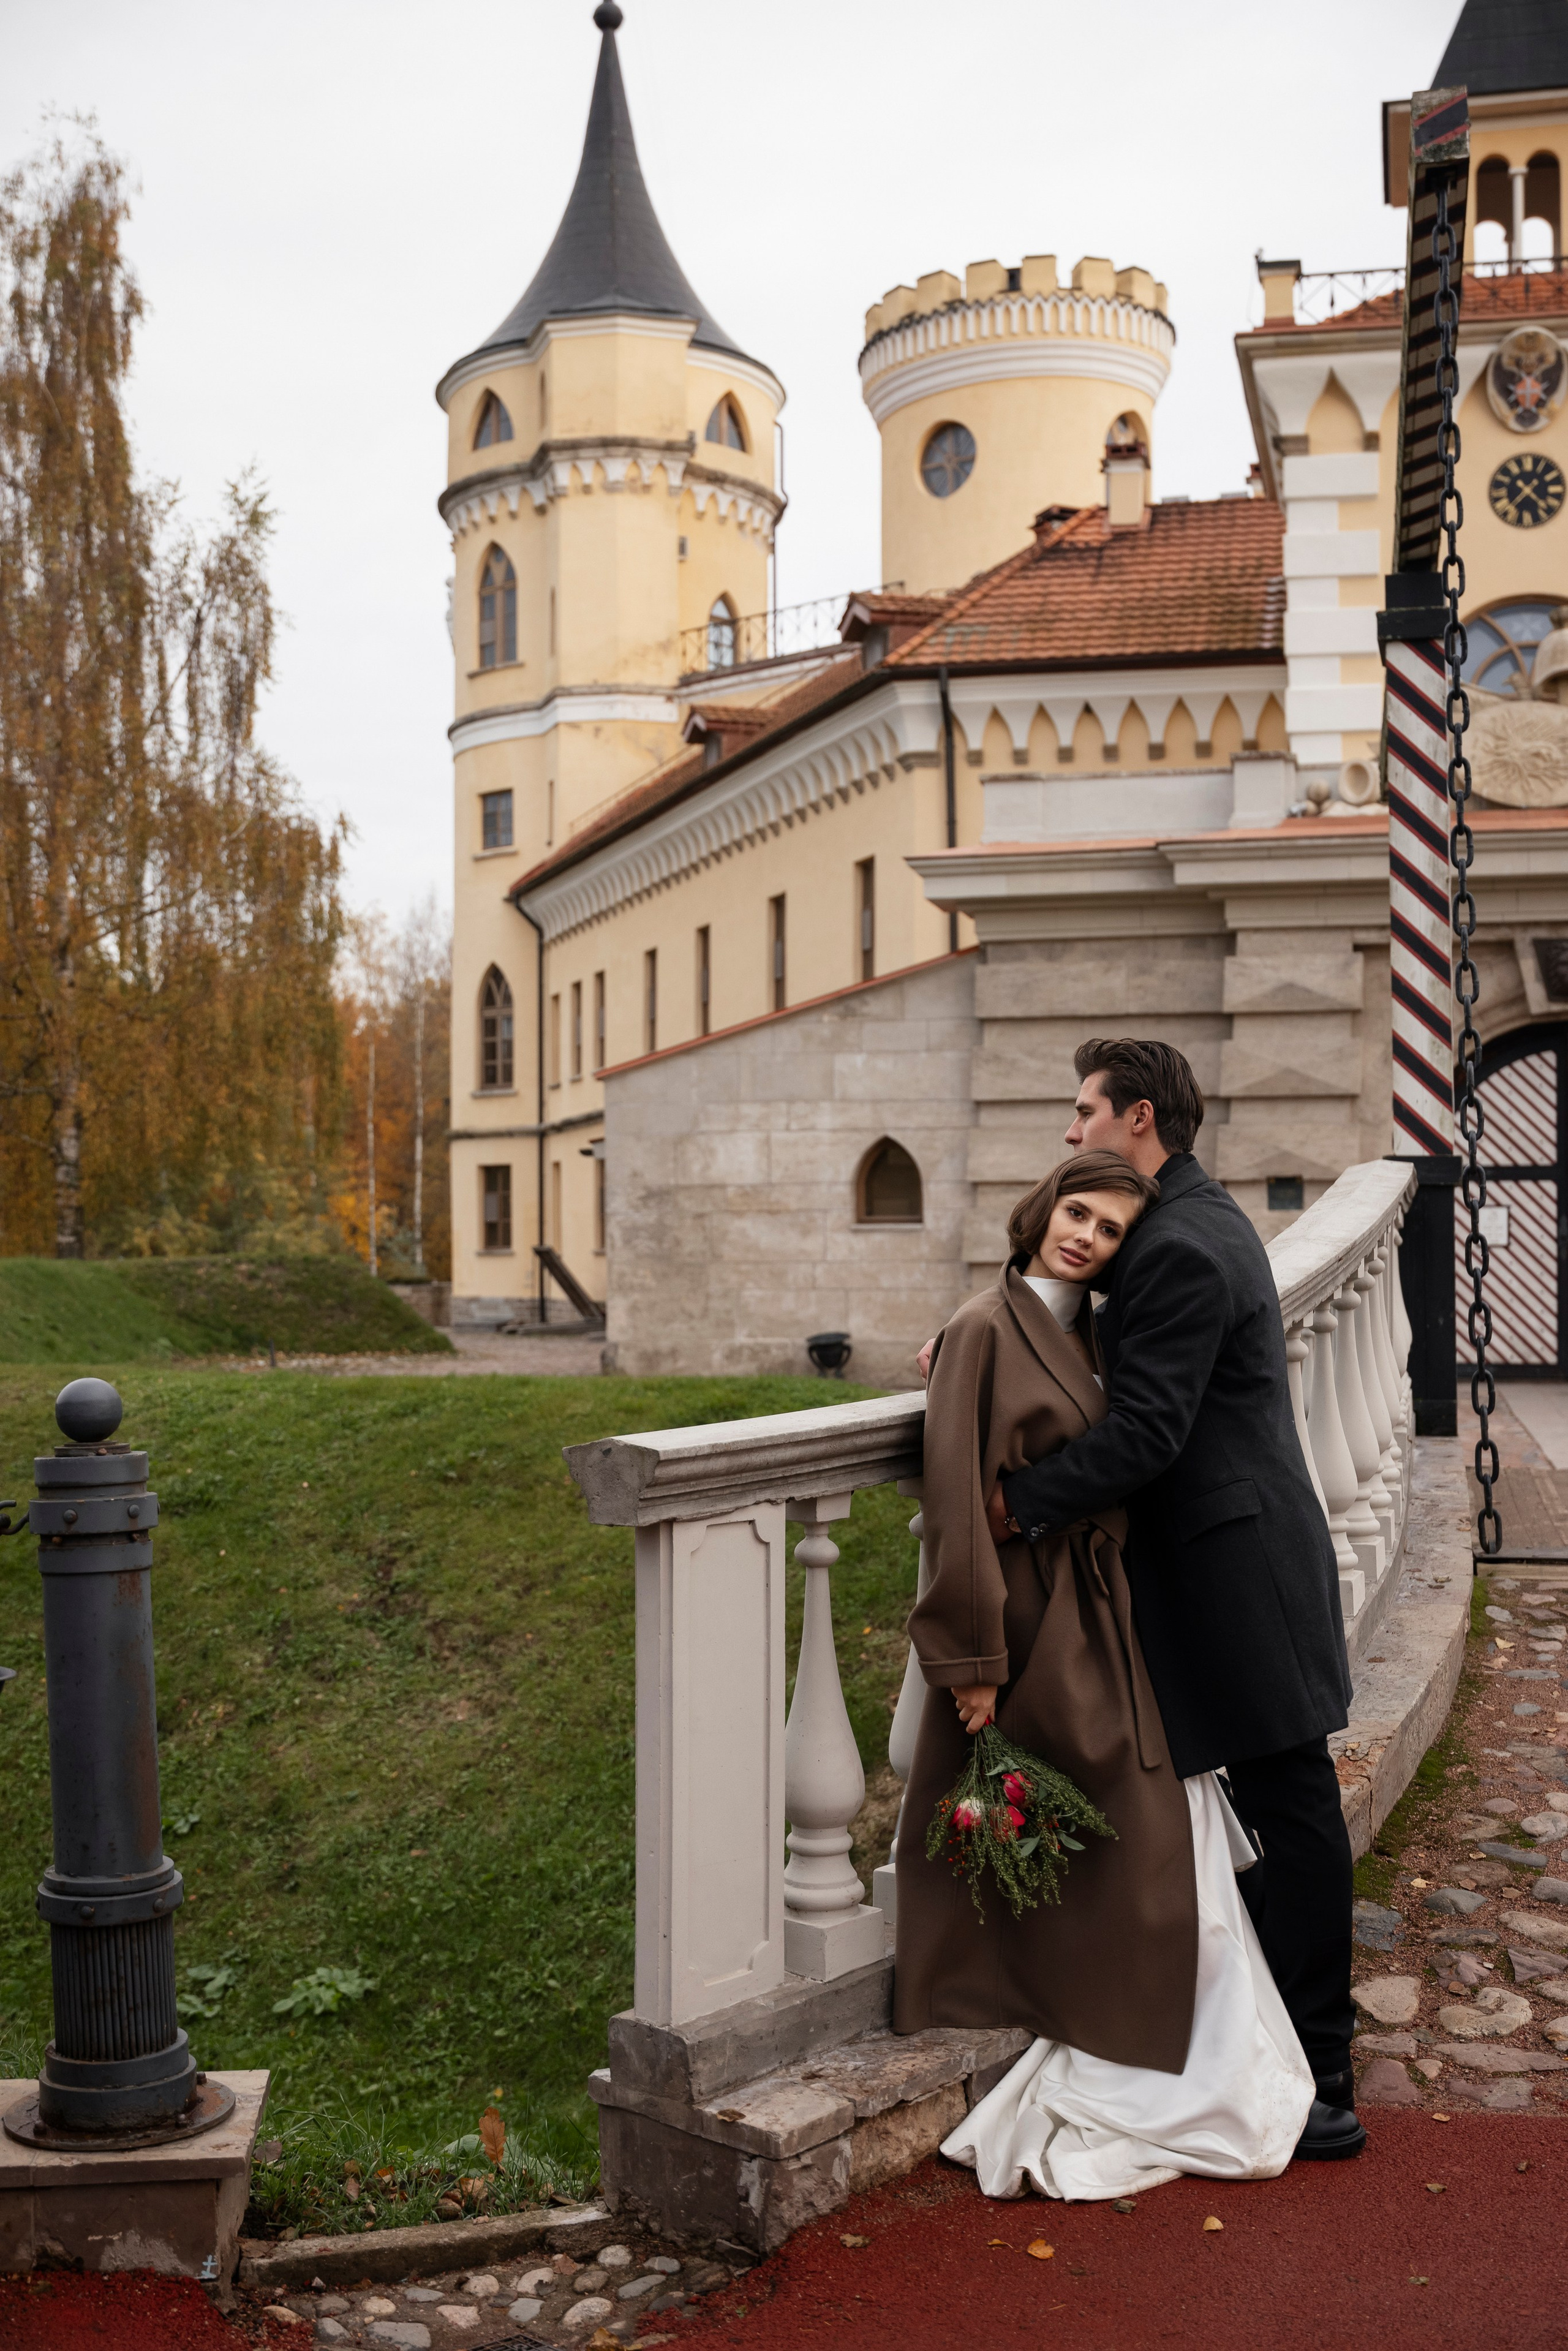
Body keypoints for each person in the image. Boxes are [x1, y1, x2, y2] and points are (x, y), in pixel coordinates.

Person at [957, 1037, 1362, 2163]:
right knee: (1279, 1804)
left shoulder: (1179, 1244)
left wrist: (1017, 1505)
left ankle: (1320, 2075)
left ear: (1139, 1117)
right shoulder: (1192, 1219)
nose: (1071, 1129)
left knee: (1292, 1805)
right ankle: (1291, 2051)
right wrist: (986, 1326)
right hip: (1236, 1555)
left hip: (1235, 1568)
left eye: (1086, 1110)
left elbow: (1146, 1431)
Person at [897, 1147, 1316, 2202]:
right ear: (1044, 1208)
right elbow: (955, 1510)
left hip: (1103, 1614)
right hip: (1028, 1622)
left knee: (1153, 1829)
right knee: (1063, 1825)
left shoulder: (1097, 1329)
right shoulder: (980, 1330)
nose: (1086, 1236)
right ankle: (1085, 2015)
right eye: (1077, 1212)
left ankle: (1152, 2027)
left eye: (1110, 1229)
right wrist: (973, 1662)